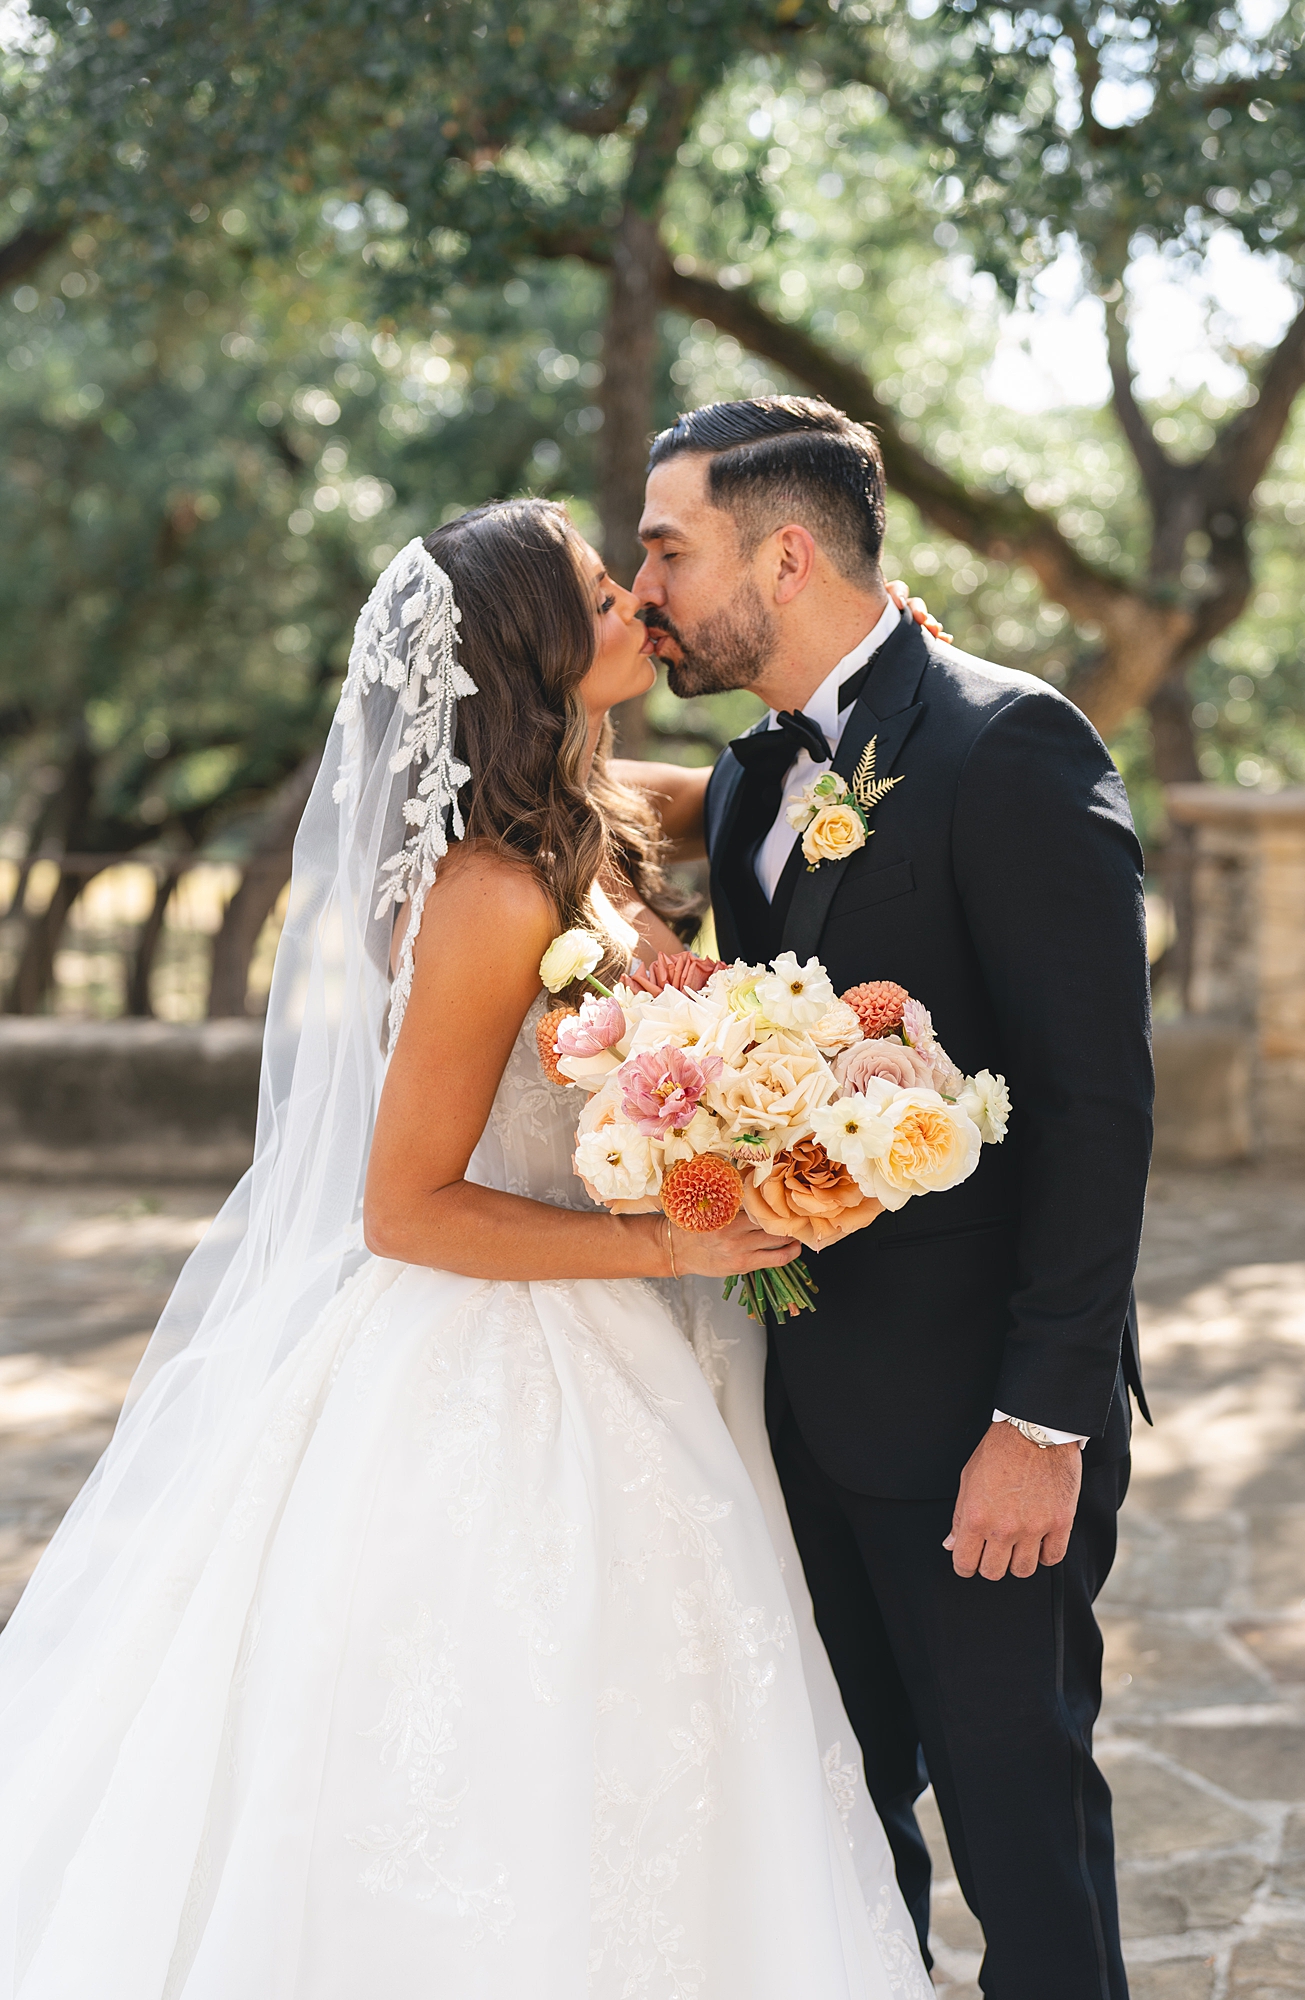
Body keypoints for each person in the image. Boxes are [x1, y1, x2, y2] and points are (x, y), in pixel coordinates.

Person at [0, 500, 932, 1999]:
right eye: (595, 587)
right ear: (527, 645)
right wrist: (665, 1247)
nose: (635, 596)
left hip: (640, 1336)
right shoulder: (492, 894)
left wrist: (882, 680)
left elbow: (745, 783)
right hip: (513, 1353)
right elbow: (404, 1208)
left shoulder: (588, 814)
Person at [619, 397, 1154, 2000]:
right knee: (841, 1842)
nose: (646, 587)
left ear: (783, 557)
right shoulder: (739, 785)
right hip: (798, 1411)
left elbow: (1095, 1111)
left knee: (1021, 1839)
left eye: (667, 548)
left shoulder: (1012, 745)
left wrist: (1042, 1425)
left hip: (983, 1435)